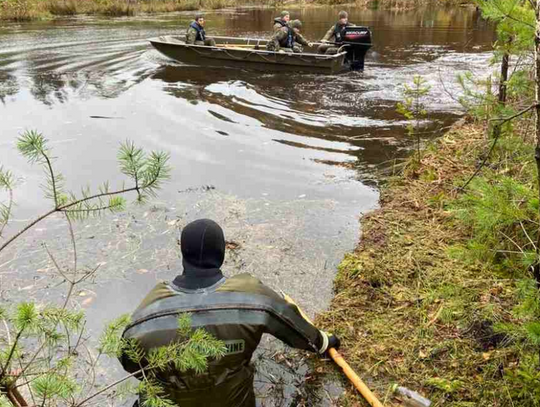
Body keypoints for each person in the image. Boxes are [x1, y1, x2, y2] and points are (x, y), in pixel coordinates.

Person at [120, 218, 340, 407]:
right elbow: (294, 328)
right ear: (221, 253)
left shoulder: (147, 313)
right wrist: (323, 342)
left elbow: (130, 362)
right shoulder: (252, 297)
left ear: (183, 254)